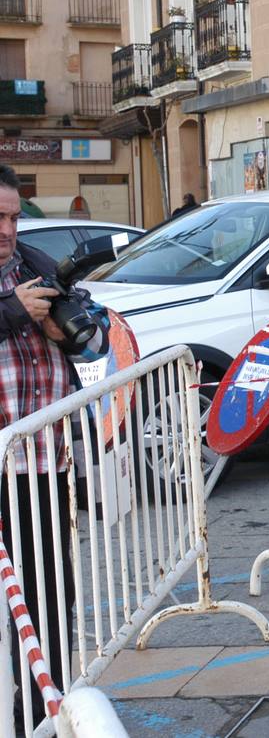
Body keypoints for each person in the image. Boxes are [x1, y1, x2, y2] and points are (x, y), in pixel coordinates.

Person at [0, 164, 108, 733]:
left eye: (14, 217)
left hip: (44, 464)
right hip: (0, 472)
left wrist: (70, 332)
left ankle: (48, 710)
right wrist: (16, 311)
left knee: (50, 595)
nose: (7, 229)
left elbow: (96, 338)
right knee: (11, 606)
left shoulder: (35, 265)